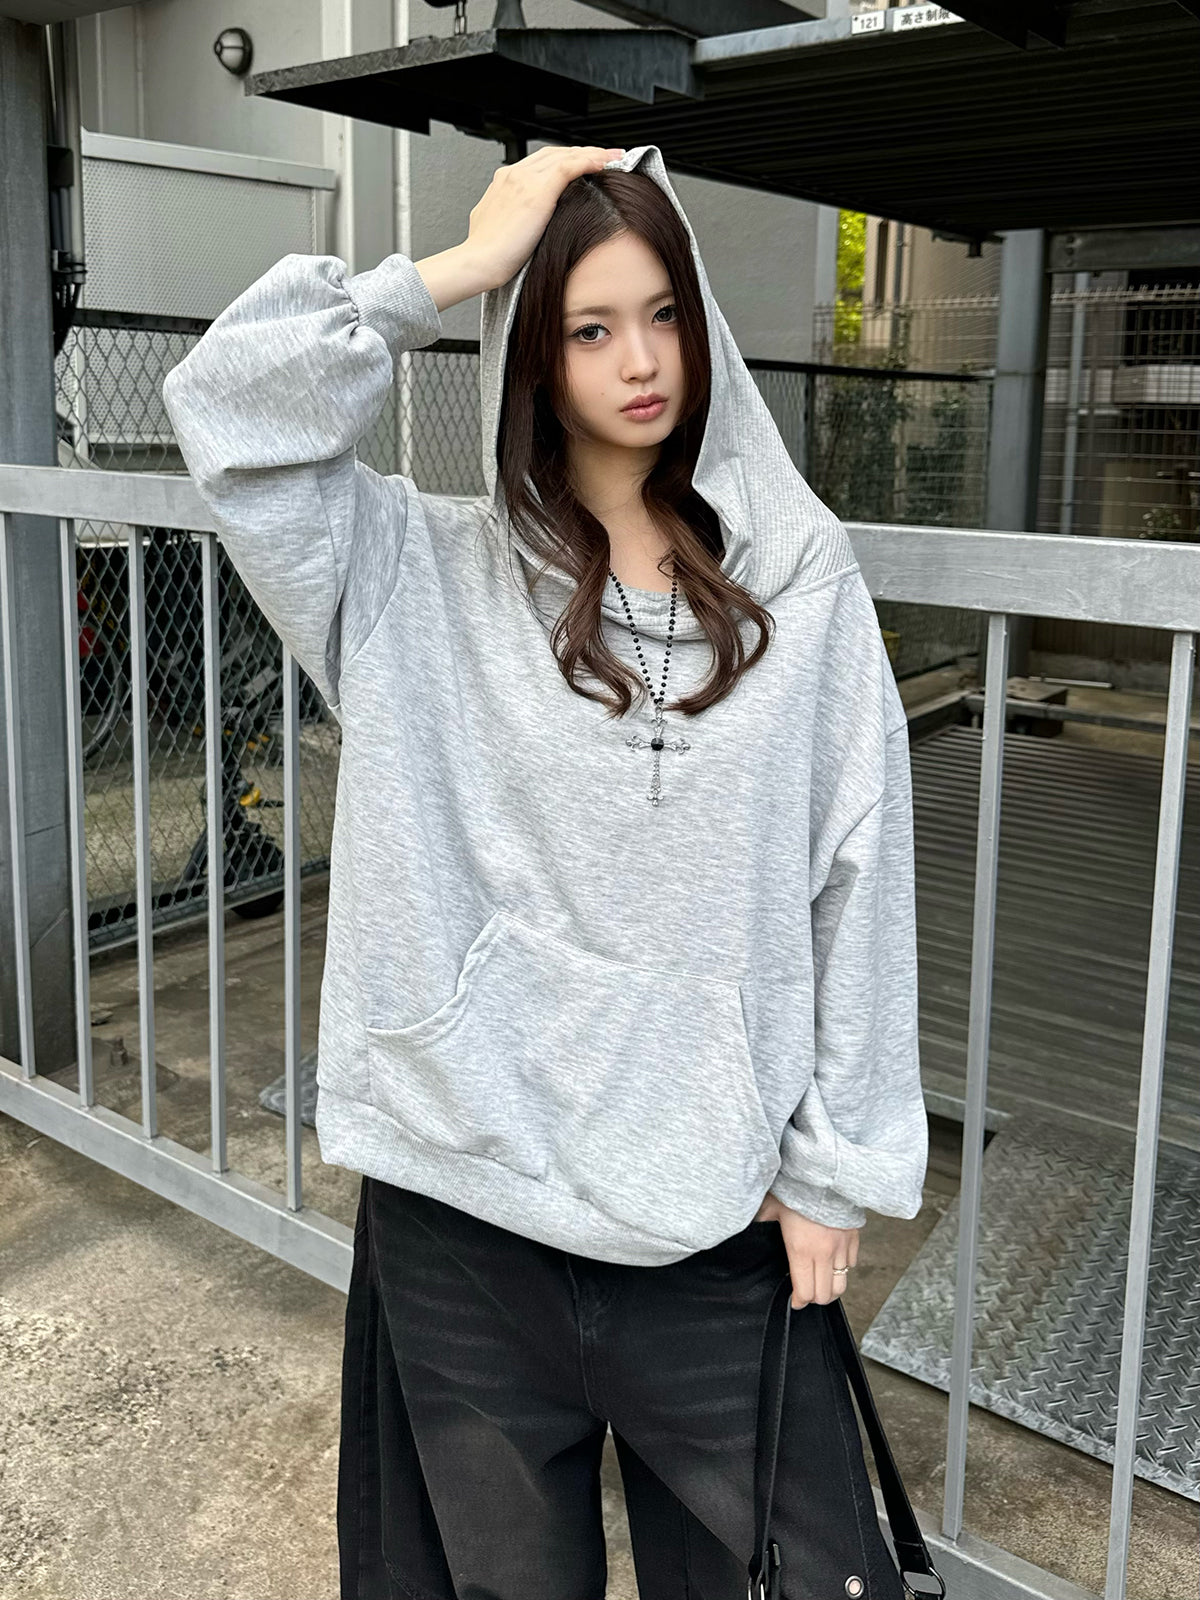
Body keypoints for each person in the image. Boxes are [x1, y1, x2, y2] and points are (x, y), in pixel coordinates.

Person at [162, 142, 928, 1600]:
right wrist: (455, 268)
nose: (641, 362)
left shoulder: (801, 581)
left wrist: (837, 1170)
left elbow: (860, 874)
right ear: (531, 348)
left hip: (711, 1219)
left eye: (665, 314)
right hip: (466, 1213)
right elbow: (227, 406)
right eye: (589, 327)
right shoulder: (408, 570)